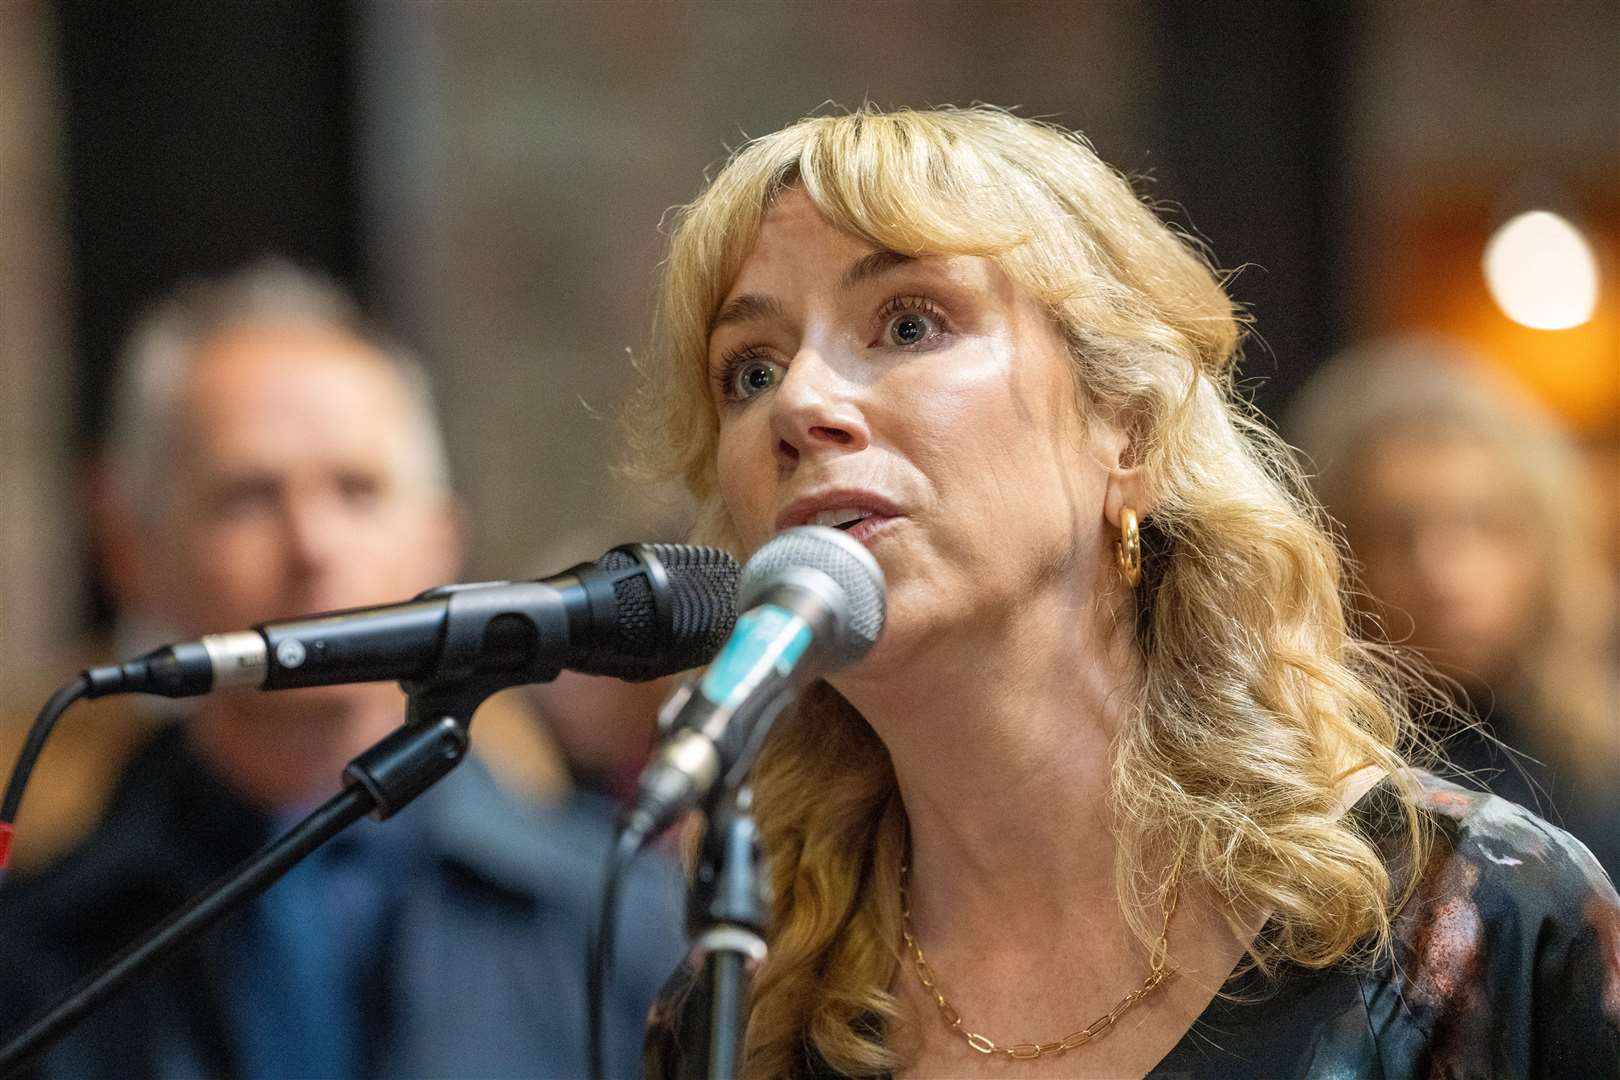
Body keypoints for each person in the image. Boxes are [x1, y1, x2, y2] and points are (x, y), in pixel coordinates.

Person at [626, 107, 1620, 1078]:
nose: (799, 404)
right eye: (749, 372)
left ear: (1130, 431)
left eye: (909, 321)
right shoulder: (739, 1021)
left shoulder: (1473, 926)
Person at [0, 260, 684, 1079]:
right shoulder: (32, 953)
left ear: (441, 540)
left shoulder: (627, 920)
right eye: (246, 496)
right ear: (129, 545)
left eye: (358, 491)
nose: (312, 547)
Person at [1288, 336, 1620, 877]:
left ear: (1545, 542)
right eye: (1397, 534)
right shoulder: (1307, 783)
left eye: (1482, 524)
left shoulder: (1600, 757)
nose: (1444, 573)